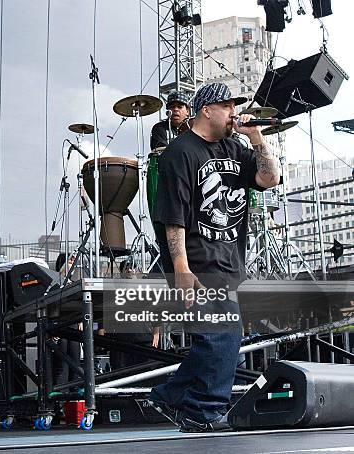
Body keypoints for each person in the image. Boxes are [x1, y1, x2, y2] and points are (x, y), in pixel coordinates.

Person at [147, 82, 280, 432]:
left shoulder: (235, 147)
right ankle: (202, 412)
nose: (234, 112)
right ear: (207, 109)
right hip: (198, 257)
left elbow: (270, 178)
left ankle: (169, 394)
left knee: (218, 337)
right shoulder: (180, 152)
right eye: (227, 106)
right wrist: (180, 268)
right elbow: (172, 216)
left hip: (229, 255)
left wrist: (256, 138)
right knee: (223, 335)